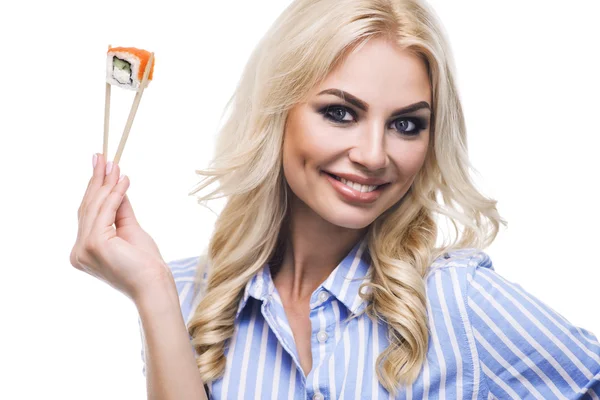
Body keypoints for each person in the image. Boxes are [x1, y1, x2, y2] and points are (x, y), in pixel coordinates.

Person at [71, 0, 600, 398]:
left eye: (406, 124)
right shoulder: (188, 300)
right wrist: (153, 294)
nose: (373, 155)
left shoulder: (458, 302)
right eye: (341, 113)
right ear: (276, 113)